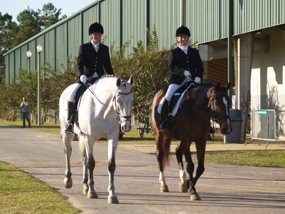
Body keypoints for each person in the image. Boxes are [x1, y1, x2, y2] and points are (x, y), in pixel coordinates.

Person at [65, 22, 115, 134]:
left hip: (100, 80)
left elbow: (108, 66)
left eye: (99, 34)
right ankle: (70, 123)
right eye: (95, 34)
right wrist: (81, 74)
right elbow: (79, 64)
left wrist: (113, 78)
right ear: (91, 35)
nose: (97, 36)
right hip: (85, 79)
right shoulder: (84, 47)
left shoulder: (105, 49)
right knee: (72, 96)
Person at [159, 25, 204, 132]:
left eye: (185, 37)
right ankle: (163, 120)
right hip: (177, 81)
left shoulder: (194, 52)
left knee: (203, 96)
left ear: (188, 38)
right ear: (177, 39)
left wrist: (198, 76)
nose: (183, 39)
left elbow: (200, 67)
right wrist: (182, 72)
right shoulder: (173, 52)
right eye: (180, 37)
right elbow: (171, 68)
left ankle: (206, 123)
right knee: (168, 96)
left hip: (192, 80)